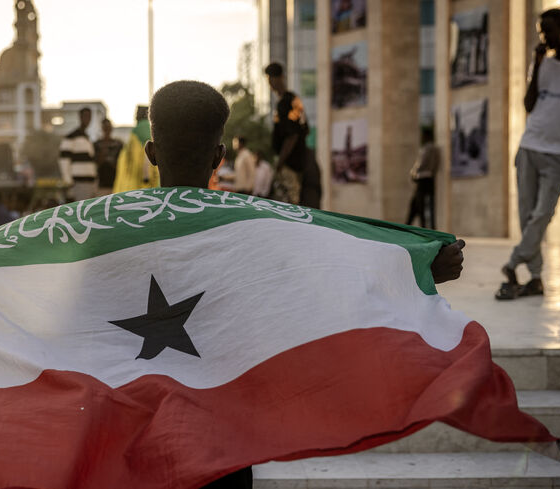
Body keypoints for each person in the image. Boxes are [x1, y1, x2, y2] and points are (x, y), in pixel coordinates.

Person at [144, 80, 465, 488]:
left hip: (141, 440)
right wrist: (417, 269)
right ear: (219, 156)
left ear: (151, 153)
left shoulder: (104, 235)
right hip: (222, 445)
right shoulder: (256, 229)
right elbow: (333, 272)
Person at [496, 8, 560, 301]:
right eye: (540, 32)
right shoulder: (542, 63)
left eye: (547, 30)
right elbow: (528, 104)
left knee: (542, 215)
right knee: (526, 216)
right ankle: (535, 278)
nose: (544, 37)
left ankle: (513, 261)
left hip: (559, 153)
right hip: (529, 146)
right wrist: (536, 66)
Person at [264, 62, 322, 209]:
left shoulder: (285, 102)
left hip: (291, 163)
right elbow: (305, 129)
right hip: (300, 158)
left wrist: (281, 161)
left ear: (279, 78)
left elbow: (292, 135)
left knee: (291, 204)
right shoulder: (294, 99)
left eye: (271, 79)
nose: (270, 83)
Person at [113, 106, 160, 193]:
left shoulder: (140, 129)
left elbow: (146, 152)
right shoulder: (149, 128)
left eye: (137, 113)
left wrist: (146, 175)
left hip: (140, 178)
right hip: (147, 176)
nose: (135, 116)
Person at [58, 107, 97, 201]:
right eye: (85, 116)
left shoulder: (87, 137)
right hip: (78, 183)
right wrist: (68, 181)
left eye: (89, 116)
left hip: (90, 182)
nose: (87, 119)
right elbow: (64, 159)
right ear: (80, 117)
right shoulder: (71, 137)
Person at [406, 127, 440, 229]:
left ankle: (420, 226)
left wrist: (414, 172)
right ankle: (427, 226)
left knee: (419, 204)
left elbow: (421, 162)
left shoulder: (427, 148)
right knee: (427, 204)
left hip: (422, 179)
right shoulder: (435, 149)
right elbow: (436, 164)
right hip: (430, 178)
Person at [93, 118, 123, 196]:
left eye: (108, 127)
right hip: (101, 184)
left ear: (111, 128)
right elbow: (95, 164)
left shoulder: (118, 144)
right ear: (102, 128)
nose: (107, 130)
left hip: (116, 183)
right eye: (105, 127)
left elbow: (122, 163)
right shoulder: (96, 144)